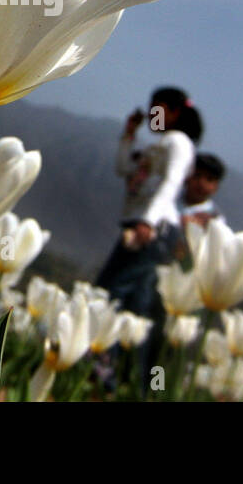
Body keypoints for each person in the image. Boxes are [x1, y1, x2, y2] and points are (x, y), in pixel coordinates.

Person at [96, 86, 202, 334]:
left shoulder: (179, 142)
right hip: (143, 225)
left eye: (158, 109)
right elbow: (123, 169)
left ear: (175, 113)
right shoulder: (158, 146)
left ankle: (102, 363)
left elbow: (172, 182)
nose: (152, 114)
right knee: (135, 301)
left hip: (153, 228)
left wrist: (148, 221)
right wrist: (129, 134)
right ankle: (122, 365)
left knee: (113, 290)